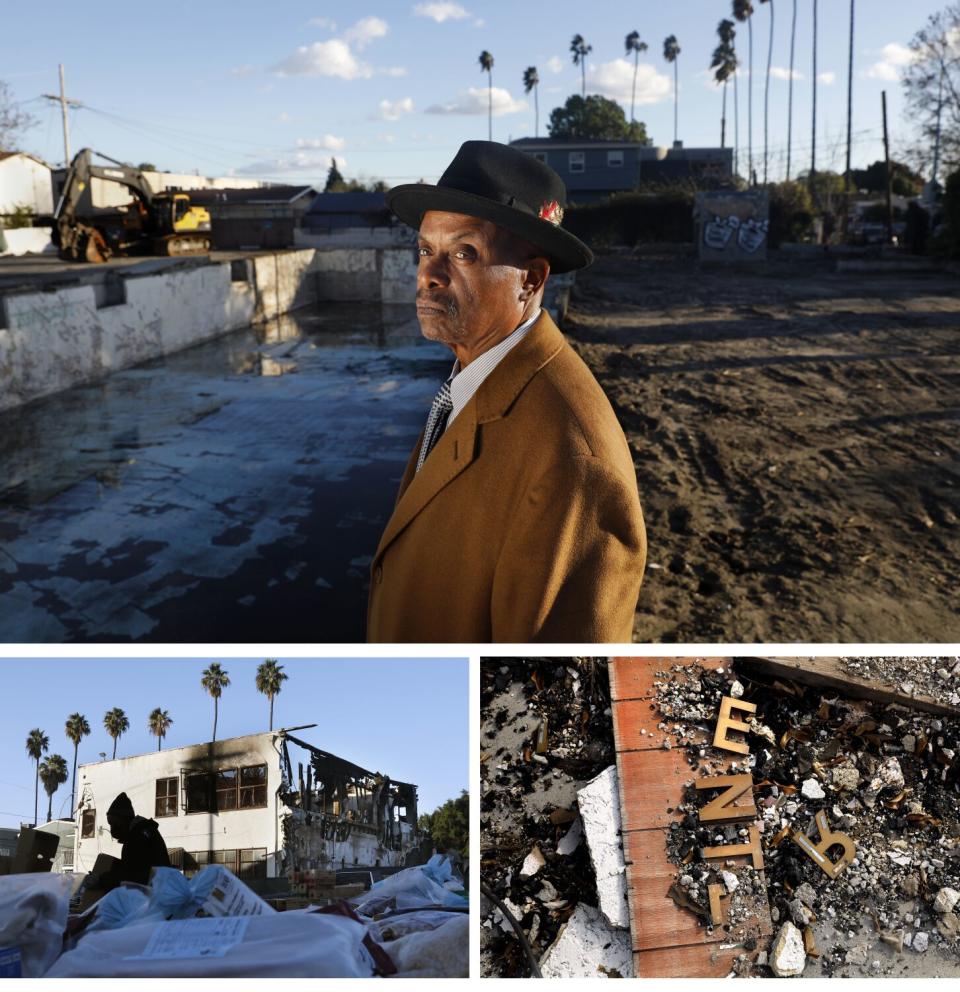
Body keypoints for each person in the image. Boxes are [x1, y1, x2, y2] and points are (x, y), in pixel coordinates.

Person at [367, 140, 646, 642]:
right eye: (427, 249)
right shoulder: (472, 378)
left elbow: (545, 684)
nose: (429, 274)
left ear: (530, 279)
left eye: (464, 252)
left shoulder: (573, 460)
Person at [95, 792, 170, 889]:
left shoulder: (137, 838)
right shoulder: (143, 832)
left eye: (114, 823)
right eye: (110, 824)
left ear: (124, 819)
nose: (112, 828)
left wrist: (101, 880)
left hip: (154, 896)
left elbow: (131, 877)